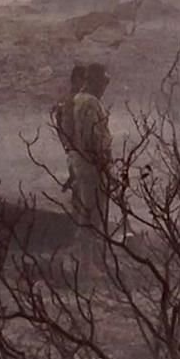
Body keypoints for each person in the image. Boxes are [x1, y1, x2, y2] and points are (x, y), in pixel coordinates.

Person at [70, 63, 113, 242]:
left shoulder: (78, 99)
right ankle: (88, 256)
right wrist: (103, 164)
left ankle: (86, 253)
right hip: (92, 166)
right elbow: (92, 138)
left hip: (83, 163)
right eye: (103, 82)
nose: (105, 87)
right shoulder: (90, 102)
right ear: (95, 82)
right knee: (93, 216)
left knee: (87, 213)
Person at [51, 64, 86, 194]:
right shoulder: (72, 99)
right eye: (83, 79)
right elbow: (62, 123)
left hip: (72, 144)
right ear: (76, 79)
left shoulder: (73, 98)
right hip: (75, 144)